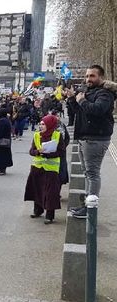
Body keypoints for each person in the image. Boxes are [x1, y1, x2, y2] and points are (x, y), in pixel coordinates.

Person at [65, 65, 116, 219]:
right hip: (84, 137)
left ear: (101, 77)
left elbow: (97, 110)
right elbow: (79, 112)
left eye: (92, 76)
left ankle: (90, 208)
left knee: (92, 173)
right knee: (87, 173)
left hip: (95, 139)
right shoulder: (88, 92)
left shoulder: (105, 94)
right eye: (87, 76)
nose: (88, 79)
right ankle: (87, 204)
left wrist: (81, 101)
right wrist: (72, 99)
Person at [24, 115, 66, 224]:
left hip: (51, 169)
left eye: (43, 124)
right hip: (37, 168)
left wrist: (49, 154)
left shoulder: (57, 135)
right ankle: (37, 211)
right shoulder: (37, 135)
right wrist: (38, 152)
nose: (41, 126)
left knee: (51, 192)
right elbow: (31, 151)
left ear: (50, 125)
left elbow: (61, 152)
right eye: (41, 124)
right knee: (37, 189)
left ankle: (49, 215)